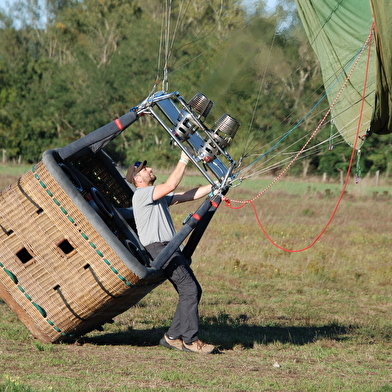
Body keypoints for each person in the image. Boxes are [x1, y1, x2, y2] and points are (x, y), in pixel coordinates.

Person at [126, 150, 216, 354]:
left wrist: (216, 187)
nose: (150, 169)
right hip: (160, 249)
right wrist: (184, 158)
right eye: (145, 169)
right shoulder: (141, 195)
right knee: (190, 289)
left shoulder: (156, 197)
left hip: (168, 247)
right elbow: (171, 185)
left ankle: (172, 337)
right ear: (138, 178)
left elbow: (186, 195)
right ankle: (191, 341)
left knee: (192, 290)